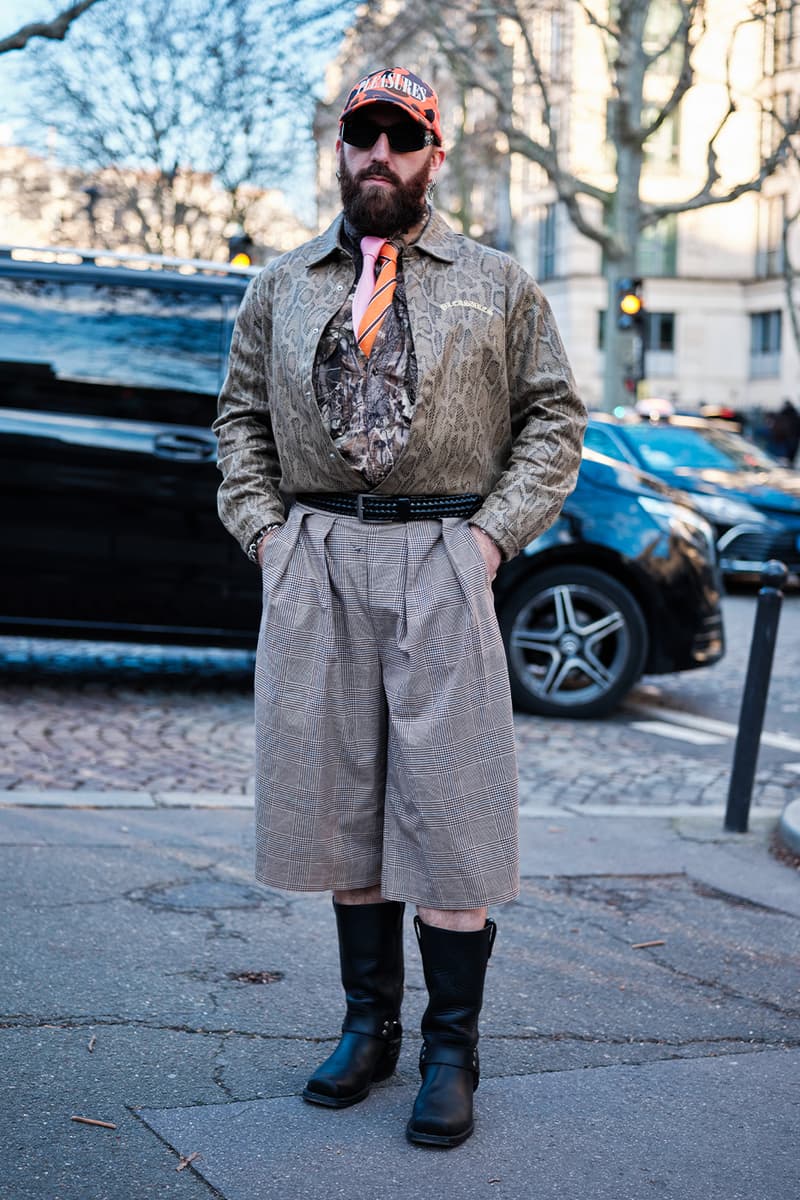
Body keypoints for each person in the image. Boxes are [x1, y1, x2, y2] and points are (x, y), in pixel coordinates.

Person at [214, 65, 586, 1148]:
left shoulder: (498, 283)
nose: (378, 154)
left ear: (433, 154)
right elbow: (237, 419)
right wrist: (267, 534)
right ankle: (366, 1026)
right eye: (360, 135)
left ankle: (451, 1050)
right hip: (317, 555)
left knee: (451, 811)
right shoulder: (280, 284)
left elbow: (552, 420)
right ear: (338, 149)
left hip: (441, 554)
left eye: (401, 137)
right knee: (344, 806)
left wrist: (486, 539)